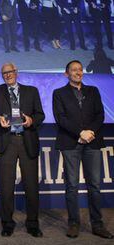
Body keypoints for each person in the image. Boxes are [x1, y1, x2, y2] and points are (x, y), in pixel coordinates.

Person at [53, 60, 113, 239]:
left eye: (80, 70)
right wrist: (80, 132)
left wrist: (90, 132)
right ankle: (73, 223)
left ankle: (97, 224)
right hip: (71, 142)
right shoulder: (59, 93)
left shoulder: (92, 91)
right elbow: (60, 118)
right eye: (74, 70)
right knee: (71, 185)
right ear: (66, 74)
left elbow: (100, 114)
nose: (78, 72)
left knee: (94, 185)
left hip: (92, 142)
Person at [0, 62, 45, 238]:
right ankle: (7, 223)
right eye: (4, 73)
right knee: (6, 186)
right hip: (7, 141)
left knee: (31, 186)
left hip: (27, 140)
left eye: (10, 72)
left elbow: (40, 114)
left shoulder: (31, 91)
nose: (8, 75)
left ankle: (33, 223)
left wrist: (31, 120)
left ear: (16, 72)